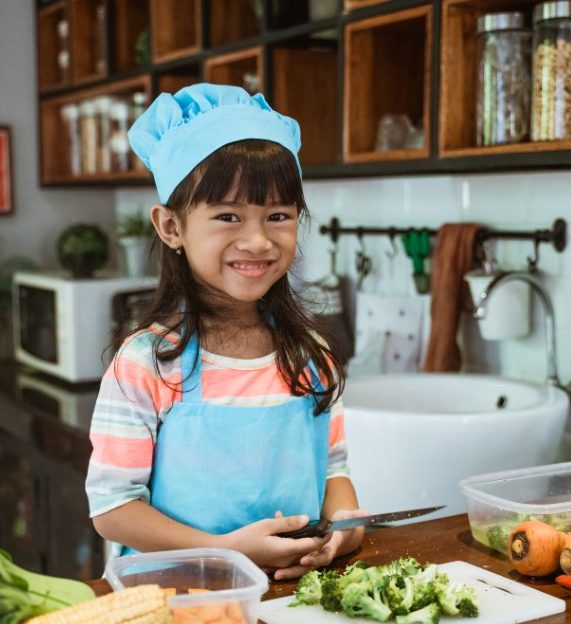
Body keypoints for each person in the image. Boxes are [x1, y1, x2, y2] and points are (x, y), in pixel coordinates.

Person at [84, 83, 365, 580]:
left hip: (290, 599)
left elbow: (334, 474)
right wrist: (224, 551)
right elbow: (113, 510)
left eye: (278, 216)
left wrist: (344, 533)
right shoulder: (147, 362)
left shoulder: (311, 356)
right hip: (174, 598)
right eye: (228, 216)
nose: (257, 240)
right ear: (171, 227)